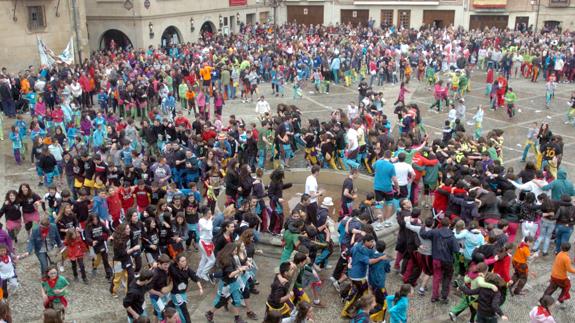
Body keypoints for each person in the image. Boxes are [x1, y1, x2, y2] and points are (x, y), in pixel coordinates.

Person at [419, 217, 459, 303]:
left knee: (436, 277)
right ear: (449, 225)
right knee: (447, 278)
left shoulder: (435, 232)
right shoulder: (452, 236)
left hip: (436, 259)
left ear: (440, 224)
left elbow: (423, 234)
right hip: (448, 260)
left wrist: (423, 226)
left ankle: (434, 296)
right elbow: (456, 250)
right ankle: (444, 297)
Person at [168, 253, 203, 323]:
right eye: (182, 261)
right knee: (183, 309)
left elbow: (195, 277)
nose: (184, 262)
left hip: (183, 292)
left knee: (177, 308)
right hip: (176, 293)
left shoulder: (187, 269)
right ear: (178, 262)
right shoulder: (172, 267)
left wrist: (200, 288)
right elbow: (165, 264)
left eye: (185, 260)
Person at [543, 242, 575, 307]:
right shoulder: (566, 258)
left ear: (561, 247)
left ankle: (543, 299)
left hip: (553, 275)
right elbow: (569, 269)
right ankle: (560, 300)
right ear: (569, 249)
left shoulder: (559, 254)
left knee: (551, 287)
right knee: (567, 286)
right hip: (561, 277)